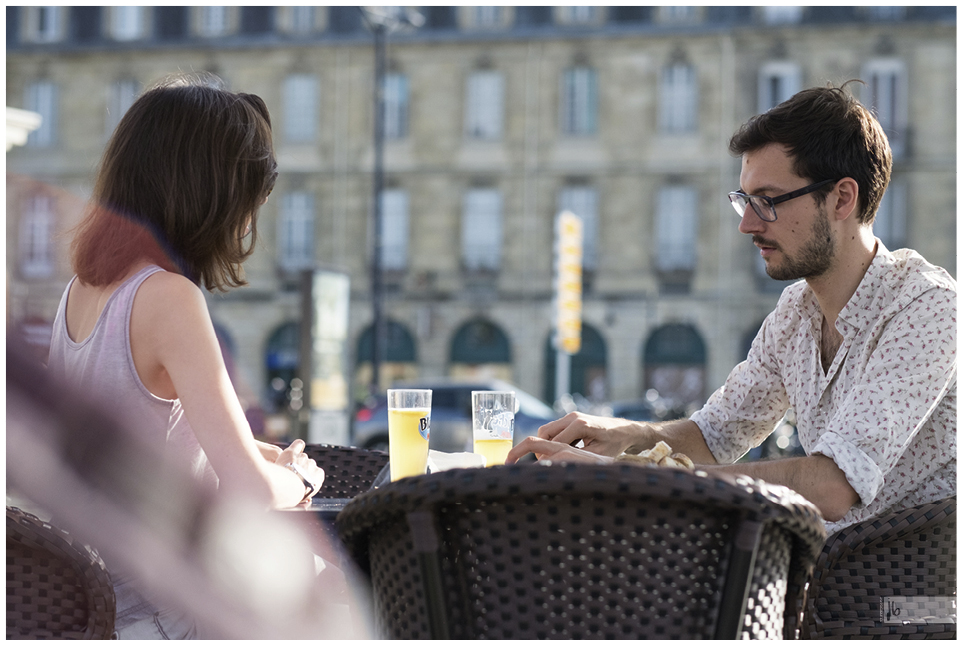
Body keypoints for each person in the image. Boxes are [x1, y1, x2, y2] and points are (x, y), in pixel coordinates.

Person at [507, 82, 956, 535]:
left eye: (768, 201)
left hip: (906, 600)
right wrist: (629, 436)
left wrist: (642, 478)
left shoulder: (929, 308)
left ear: (842, 198)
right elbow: (715, 435)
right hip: (819, 578)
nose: (747, 224)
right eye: (744, 200)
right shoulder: (796, 312)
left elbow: (832, 486)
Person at [46, 73, 327, 638]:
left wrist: (243, 450)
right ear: (211, 193)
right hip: (161, 615)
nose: (250, 219)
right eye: (249, 199)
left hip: (85, 606)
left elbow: (136, 438)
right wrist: (298, 478)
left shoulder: (82, 289)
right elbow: (248, 490)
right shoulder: (170, 298)